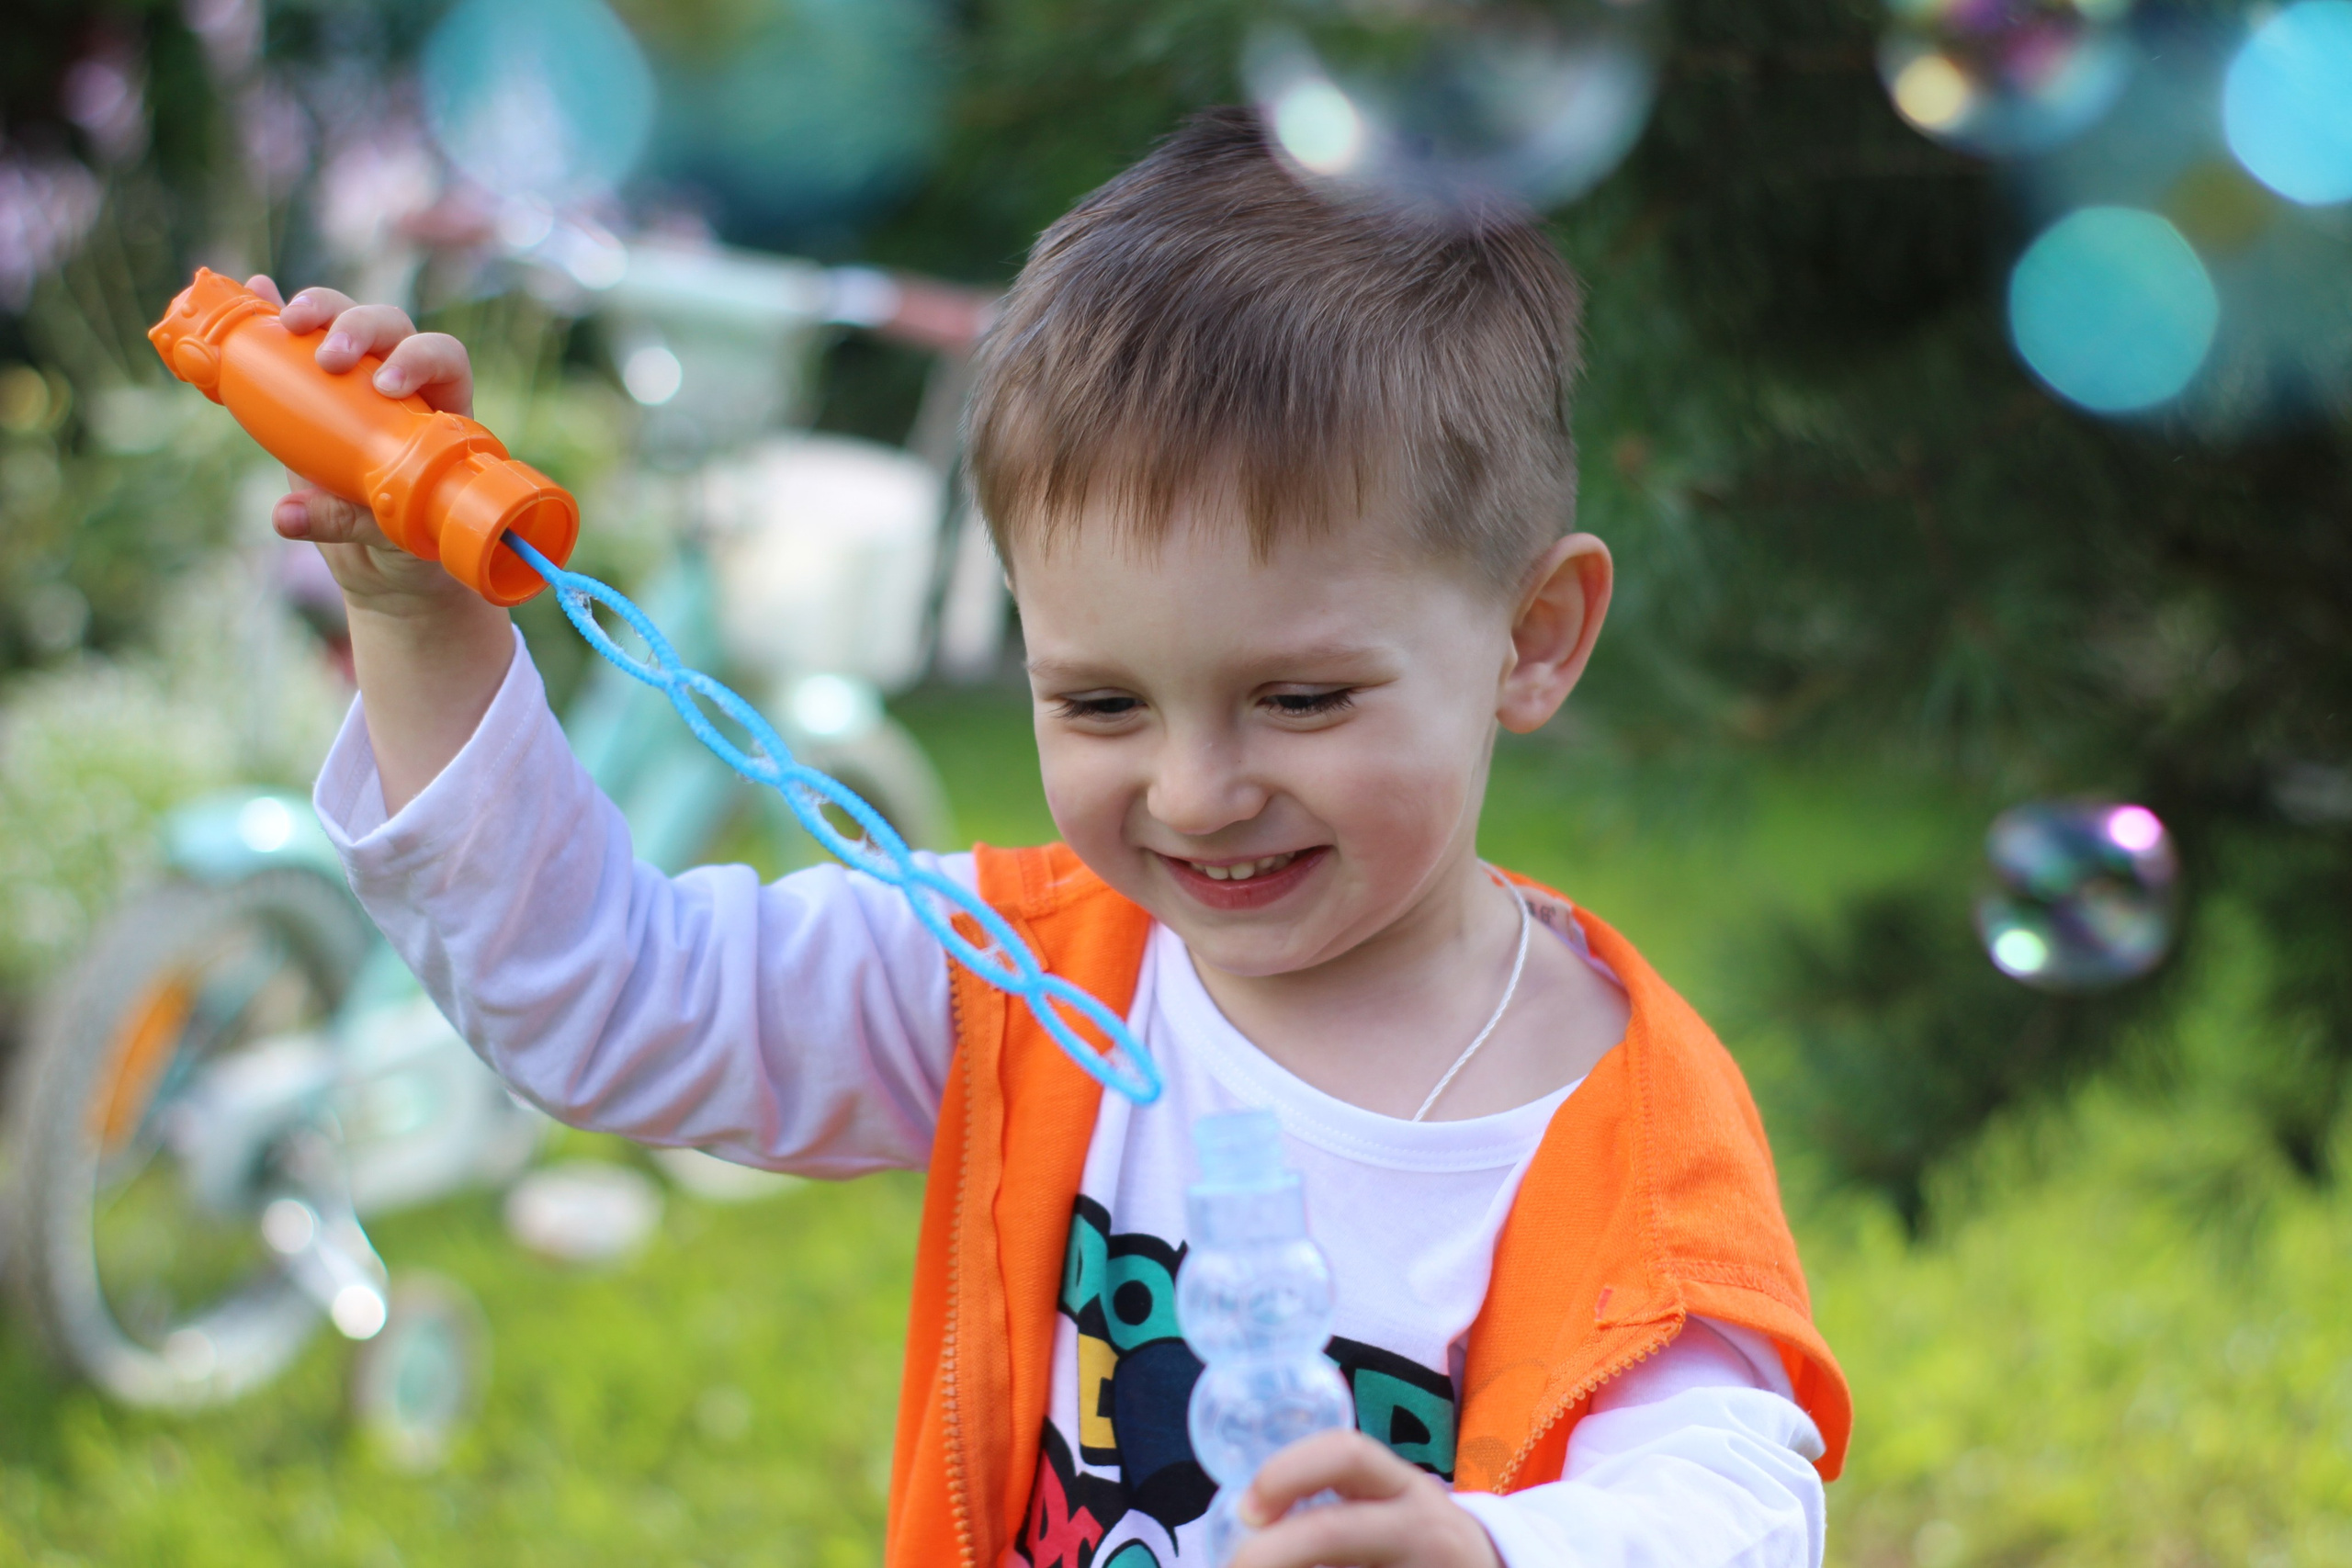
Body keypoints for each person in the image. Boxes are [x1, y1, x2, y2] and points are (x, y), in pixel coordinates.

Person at [273, 107, 1849, 1568]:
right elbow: (608, 997)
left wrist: (1492, 1550)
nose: (1194, 792)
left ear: (1533, 634)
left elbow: (1729, 1499)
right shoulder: (1023, 978)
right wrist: (421, 624)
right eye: (1101, 705)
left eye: (1298, 698)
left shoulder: (1621, 1133)